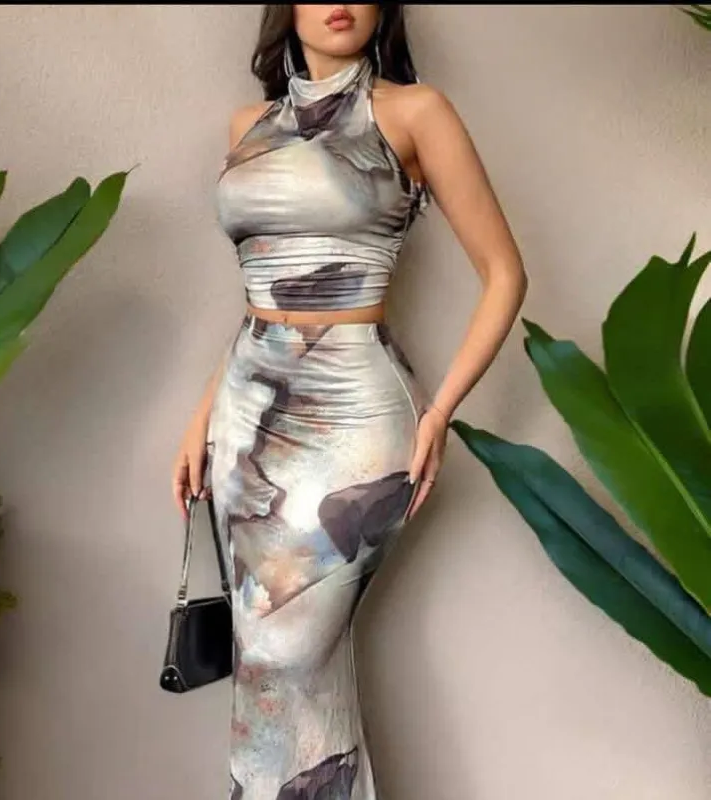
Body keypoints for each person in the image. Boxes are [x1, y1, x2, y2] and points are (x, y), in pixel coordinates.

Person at [172, 4, 527, 798]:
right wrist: (200, 420)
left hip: (358, 410)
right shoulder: (247, 126)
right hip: (246, 412)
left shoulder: (415, 111)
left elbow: (505, 274)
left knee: (289, 650)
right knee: (271, 664)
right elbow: (261, 294)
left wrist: (439, 413)